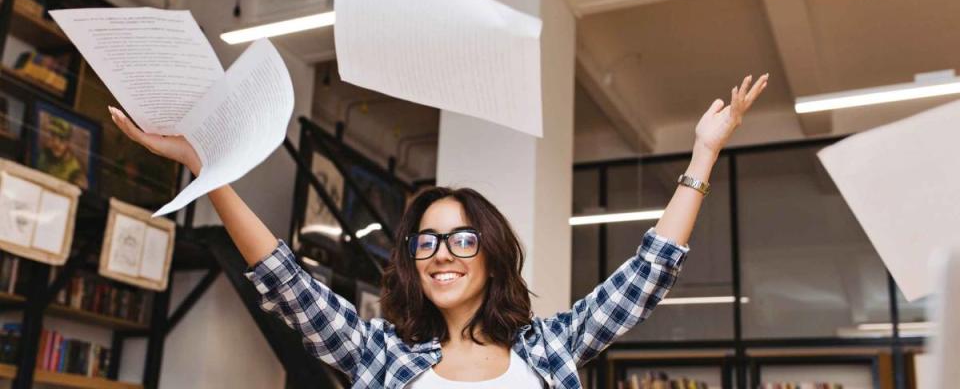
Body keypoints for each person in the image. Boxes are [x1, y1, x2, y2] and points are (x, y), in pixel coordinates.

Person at [107, 73, 768, 389]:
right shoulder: (381, 355)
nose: (440, 255)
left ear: (491, 256)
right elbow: (285, 280)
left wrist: (703, 155)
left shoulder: (550, 349)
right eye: (425, 241)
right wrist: (206, 169)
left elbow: (646, 276)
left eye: (460, 239)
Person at [38, 116, 88, 189]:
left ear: (68, 142)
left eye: (61, 138)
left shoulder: (75, 172)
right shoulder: (43, 155)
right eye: (53, 136)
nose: (56, 143)